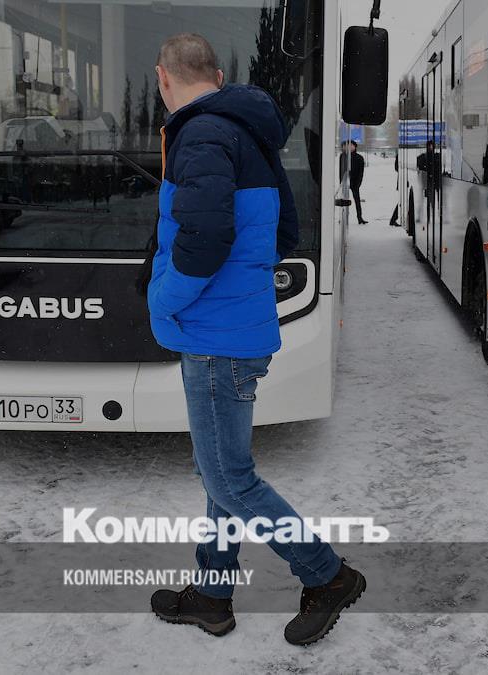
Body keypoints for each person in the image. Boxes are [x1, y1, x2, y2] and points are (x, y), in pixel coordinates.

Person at [146, 33, 366, 646]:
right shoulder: (248, 132)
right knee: (220, 472)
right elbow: (284, 232)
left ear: (163, 78)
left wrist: (162, 297)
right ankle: (212, 596)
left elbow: (205, 241)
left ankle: (327, 575)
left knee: (229, 479)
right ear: (217, 76)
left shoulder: (200, 135)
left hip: (215, 336)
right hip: (236, 328)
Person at [339, 140, 368, 224]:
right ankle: (343, 217)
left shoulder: (359, 157)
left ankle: (360, 218)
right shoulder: (343, 156)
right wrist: (341, 182)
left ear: (355, 147)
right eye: (346, 145)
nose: (348, 147)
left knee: (357, 201)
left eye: (351, 145)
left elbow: (361, 173)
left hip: (355, 183)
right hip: (345, 182)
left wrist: (358, 183)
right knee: (343, 202)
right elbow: (341, 170)